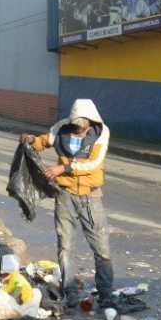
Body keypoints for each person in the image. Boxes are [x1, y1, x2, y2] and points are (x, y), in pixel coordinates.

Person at [21, 99, 116, 309]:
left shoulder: (100, 134)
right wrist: (31, 140)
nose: (77, 129)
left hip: (90, 196)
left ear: (90, 122)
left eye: (81, 126)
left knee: (101, 247)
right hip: (65, 194)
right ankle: (70, 291)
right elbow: (45, 141)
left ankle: (106, 294)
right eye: (74, 125)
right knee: (65, 246)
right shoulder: (61, 129)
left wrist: (62, 169)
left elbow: (93, 163)